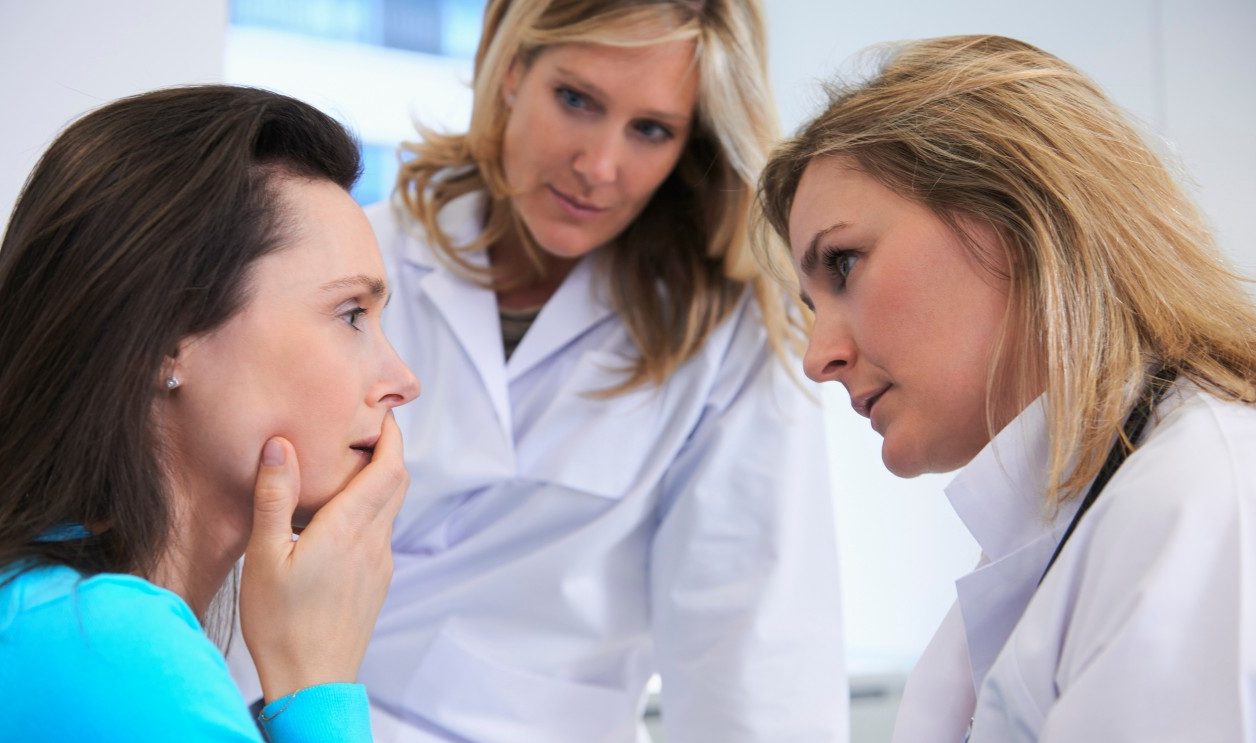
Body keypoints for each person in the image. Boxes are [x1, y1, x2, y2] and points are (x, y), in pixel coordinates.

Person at [228, 1, 848, 741]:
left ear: (691, 145)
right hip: (286, 714)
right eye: (577, 100)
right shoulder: (364, 261)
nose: (599, 166)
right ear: (513, 67)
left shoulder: (728, 339)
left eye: (651, 129)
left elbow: (755, 652)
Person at [758, 33, 1256, 743]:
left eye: (843, 265)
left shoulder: (1200, 499)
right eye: (809, 306)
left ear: (1016, 216)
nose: (818, 357)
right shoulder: (1063, 528)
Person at [0, 85, 420, 741]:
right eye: (350, 315)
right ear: (169, 339)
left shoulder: (53, 613)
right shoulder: (106, 648)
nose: (401, 380)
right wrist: (318, 687)